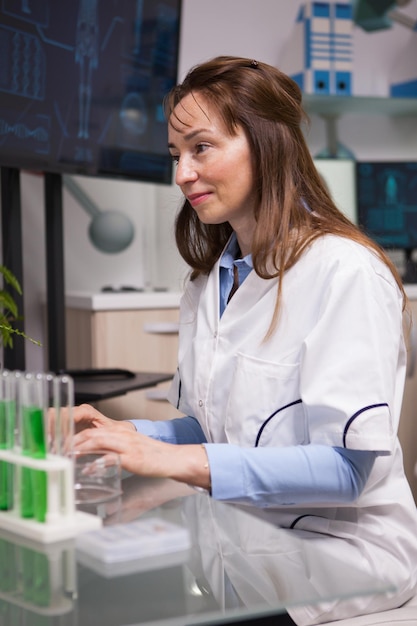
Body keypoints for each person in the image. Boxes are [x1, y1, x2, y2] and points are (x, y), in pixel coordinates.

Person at [73, 56, 417, 623]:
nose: (183, 174)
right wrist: (122, 435)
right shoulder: (211, 282)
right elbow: (217, 429)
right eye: (175, 156)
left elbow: (346, 471)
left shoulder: (344, 272)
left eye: (201, 148)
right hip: (243, 553)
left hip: (339, 565)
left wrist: (172, 458)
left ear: (267, 144)